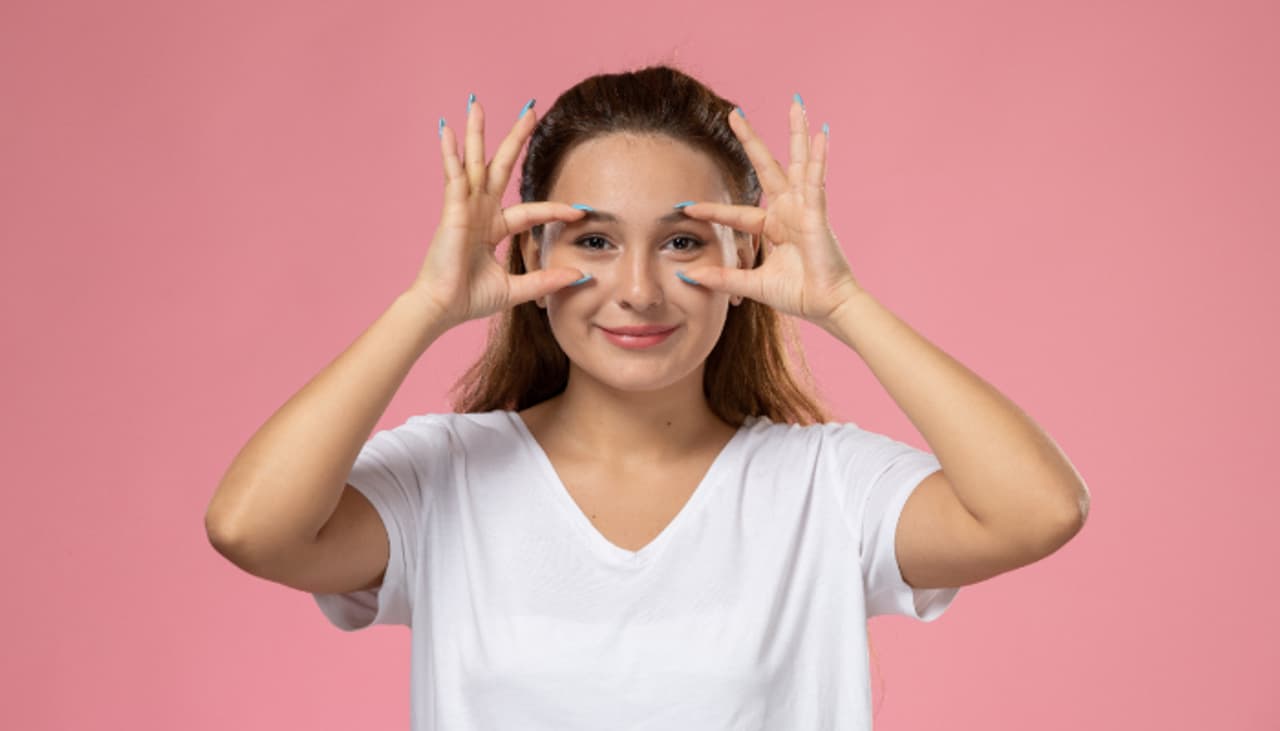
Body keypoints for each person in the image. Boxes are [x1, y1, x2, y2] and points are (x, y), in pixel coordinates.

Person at [206, 64, 1089, 729]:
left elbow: (1037, 509)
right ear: (529, 256)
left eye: (680, 241)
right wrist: (423, 307)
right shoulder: (447, 478)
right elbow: (253, 526)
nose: (636, 288)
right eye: (592, 239)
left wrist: (845, 305)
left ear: (745, 260)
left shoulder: (824, 488)